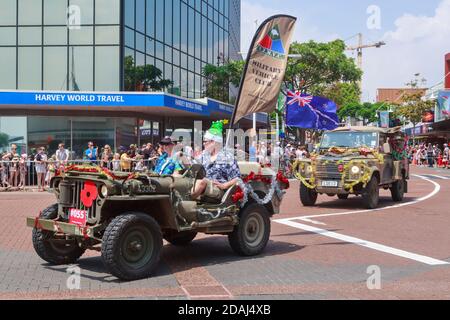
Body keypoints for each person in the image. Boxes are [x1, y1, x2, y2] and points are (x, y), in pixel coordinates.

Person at [191, 121, 241, 201]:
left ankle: (184, 203)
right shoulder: (204, 155)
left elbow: (237, 178)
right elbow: (192, 166)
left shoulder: (227, 157)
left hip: (218, 189)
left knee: (202, 182)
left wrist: (224, 185)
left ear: (213, 142)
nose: (203, 144)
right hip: (201, 186)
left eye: (205, 141)